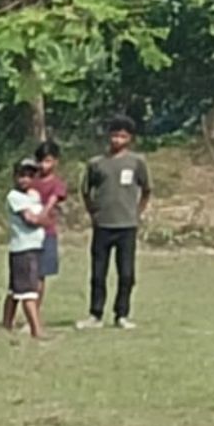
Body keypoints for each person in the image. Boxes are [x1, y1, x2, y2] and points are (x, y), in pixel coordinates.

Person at [77, 115, 152, 330]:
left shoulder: (137, 162)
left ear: (130, 138)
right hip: (103, 225)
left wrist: (137, 213)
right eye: (115, 135)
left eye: (123, 136)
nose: (118, 140)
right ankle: (95, 314)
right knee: (98, 273)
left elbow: (146, 190)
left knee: (126, 273)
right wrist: (93, 213)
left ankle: (122, 314)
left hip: (126, 226)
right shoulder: (96, 163)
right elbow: (85, 191)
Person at [2, 158, 48, 338]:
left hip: (35, 246)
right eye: (21, 175)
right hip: (23, 248)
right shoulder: (14, 197)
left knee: (15, 290)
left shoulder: (34, 196)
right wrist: (44, 219)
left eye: (30, 175)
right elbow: (31, 219)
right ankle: (37, 330)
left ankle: (6, 325)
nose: (25, 179)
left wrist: (43, 219)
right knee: (29, 291)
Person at [30, 140, 67, 311]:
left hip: (46, 233)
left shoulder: (57, 184)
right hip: (28, 233)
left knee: (40, 276)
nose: (43, 165)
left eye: (48, 161)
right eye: (41, 161)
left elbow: (51, 204)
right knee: (26, 275)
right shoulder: (31, 181)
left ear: (56, 161)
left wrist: (40, 217)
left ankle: (34, 313)